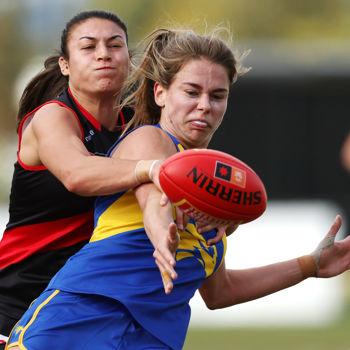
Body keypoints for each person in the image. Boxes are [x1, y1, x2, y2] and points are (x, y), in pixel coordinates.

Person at [7, 27, 350, 350]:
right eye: (191, 92)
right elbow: (154, 199)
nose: (205, 105)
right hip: (77, 323)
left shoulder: (208, 191)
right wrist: (161, 235)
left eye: (218, 95)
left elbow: (220, 292)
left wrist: (310, 266)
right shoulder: (149, 140)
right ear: (160, 93)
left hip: (150, 340)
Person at [0, 10, 167, 347]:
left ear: (130, 61)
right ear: (65, 65)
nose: (103, 53)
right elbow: (77, 174)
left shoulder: (138, 129)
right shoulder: (52, 117)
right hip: (13, 313)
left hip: (79, 317)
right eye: (88, 46)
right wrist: (151, 169)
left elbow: (178, 189)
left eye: (114, 45)